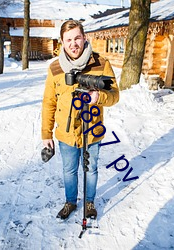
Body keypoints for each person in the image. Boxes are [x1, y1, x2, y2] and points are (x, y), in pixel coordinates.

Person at [41, 20, 119, 220]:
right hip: (66, 133)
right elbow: (49, 102)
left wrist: (99, 97)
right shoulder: (55, 68)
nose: (73, 43)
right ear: (62, 42)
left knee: (90, 168)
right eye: (68, 40)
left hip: (92, 130)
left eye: (77, 38)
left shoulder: (101, 64)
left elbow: (115, 95)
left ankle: (90, 202)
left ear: (84, 38)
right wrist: (46, 134)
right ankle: (70, 202)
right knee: (69, 170)